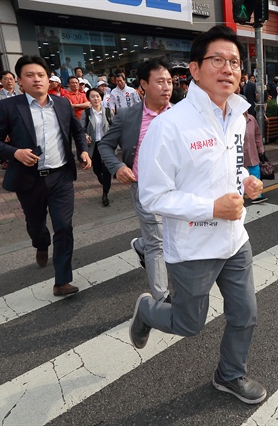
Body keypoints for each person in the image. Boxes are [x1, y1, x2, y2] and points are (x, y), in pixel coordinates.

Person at [131, 25, 266, 405]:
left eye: (235, 62)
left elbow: (225, 167)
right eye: (218, 60)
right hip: (193, 247)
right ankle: (147, 308)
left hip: (234, 239)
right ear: (194, 69)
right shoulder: (169, 126)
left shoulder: (237, 115)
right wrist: (211, 208)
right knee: (188, 324)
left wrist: (245, 182)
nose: (229, 69)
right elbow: (152, 195)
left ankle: (229, 375)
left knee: (245, 315)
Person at [0, 55, 92, 296]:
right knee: (36, 225)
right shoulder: (10, 107)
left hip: (61, 176)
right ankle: (41, 244)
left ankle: (62, 281)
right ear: (20, 81)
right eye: (30, 75)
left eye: (41, 75)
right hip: (29, 179)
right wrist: (15, 153)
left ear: (49, 79)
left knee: (64, 226)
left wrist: (84, 152)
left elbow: (77, 131)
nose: (36, 80)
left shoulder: (62, 104)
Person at [98, 59, 174, 303]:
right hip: (146, 188)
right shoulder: (128, 116)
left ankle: (141, 244)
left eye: (169, 82)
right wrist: (118, 166)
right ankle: (161, 299)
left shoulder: (183, 114)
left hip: (178, 187)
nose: (167, 87)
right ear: (143, 84)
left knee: (172, 235)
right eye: (160, 82)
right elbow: (105, 146)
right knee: (158, 243)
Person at [81, 88, 113, 207]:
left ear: (101, 98)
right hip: (93, 146)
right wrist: (85, 135)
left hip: (106, 145)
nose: (96, 99)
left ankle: (105, 194)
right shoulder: (87, 113)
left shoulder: (108, 111)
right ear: (89, 98)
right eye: (93, 96)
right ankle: (103, 180)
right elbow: (81, 129)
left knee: (107, 170)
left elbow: (114, 127)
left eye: (98, 96)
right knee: (97, 169)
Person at [242, 105, 267, 204]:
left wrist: (260, 149)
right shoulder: (232, 120)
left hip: (251, 150)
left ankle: (256, 195)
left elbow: (257, 134)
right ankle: (238, 194)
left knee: (255, 172)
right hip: (237, 152)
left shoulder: (251, 119)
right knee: (237, 174)